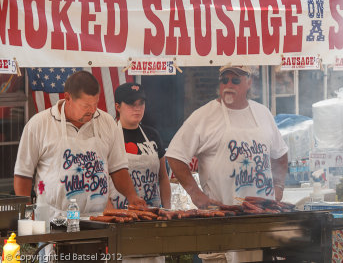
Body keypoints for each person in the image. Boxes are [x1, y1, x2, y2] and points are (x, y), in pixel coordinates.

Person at [166, 64, 288, 263]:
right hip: (221, 221)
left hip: (261, 222)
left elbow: (280, 153)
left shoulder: (263, 113)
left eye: (236, 80)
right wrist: (195, 193)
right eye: (225, 80)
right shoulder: (203, 116)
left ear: (249, 82)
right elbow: (175, 155)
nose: (229, 84)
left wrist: (279, 185)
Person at [14, 70, 145, 219]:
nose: (92, 110)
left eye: (95, 104)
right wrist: (26, 213)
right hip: (54, 219)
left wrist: (132, 196)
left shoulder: (107, 122)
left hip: (99, 219)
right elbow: (23, 175)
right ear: (68, 98)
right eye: (85, 106)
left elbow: (118, 168)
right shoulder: (38, 125)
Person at [109, 82, 171, 209]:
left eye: (141, 103)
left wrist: (167, 209)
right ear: (118, 106)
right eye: (131, 104)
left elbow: (163, 177)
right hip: (120, 213)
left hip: (152, 213)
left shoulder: (152, 135)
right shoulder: (108, 135)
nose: (137, 108)